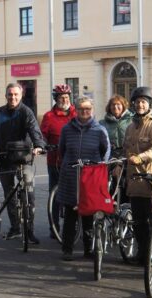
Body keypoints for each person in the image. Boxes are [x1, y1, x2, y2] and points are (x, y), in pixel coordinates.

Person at [0, 83, 46, 244]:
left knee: (29, 193)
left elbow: (34, 130)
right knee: (9, 193)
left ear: (21, 95)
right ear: (6, 96)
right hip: (3, 158)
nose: (13, 97)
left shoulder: (26, 112)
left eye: (16, 94)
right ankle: (15, 228)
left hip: (24, 158)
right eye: (10, 94)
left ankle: (29, 230)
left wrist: (38, 145)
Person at [56, 97, 110, 260]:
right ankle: (67, 249)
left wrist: (98, 167)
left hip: (90, 178)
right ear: (76, 110)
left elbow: (105, 152)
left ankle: (88, 249)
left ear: (92, 110)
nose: (84, 112)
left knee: (88, 215)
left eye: (87, 109)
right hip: (70, 177)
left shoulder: (100, 130)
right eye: (81, 109)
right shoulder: (67, 129)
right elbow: (62, 150)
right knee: (70, 216)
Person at [123, 87, 152, 264]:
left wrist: (139, 158)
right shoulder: (130, 127)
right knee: (138, 222)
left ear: (149, 105)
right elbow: (126, 149)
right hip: (134, 181)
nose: (140, 105)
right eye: (138, 102)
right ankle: (142, 253)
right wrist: (120, 164)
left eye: (144, 102)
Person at [40, 84, 77, 239]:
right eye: (61, 97)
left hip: (74, 160)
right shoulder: (49, 116)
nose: (64, 99)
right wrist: (42, 145)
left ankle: (76, 226)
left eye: (67, 97)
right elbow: (42, 135)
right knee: (54, 195)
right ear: (56, 99)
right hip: (54, 160)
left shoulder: (76, 114)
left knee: (76, 194)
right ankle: (53, 226)